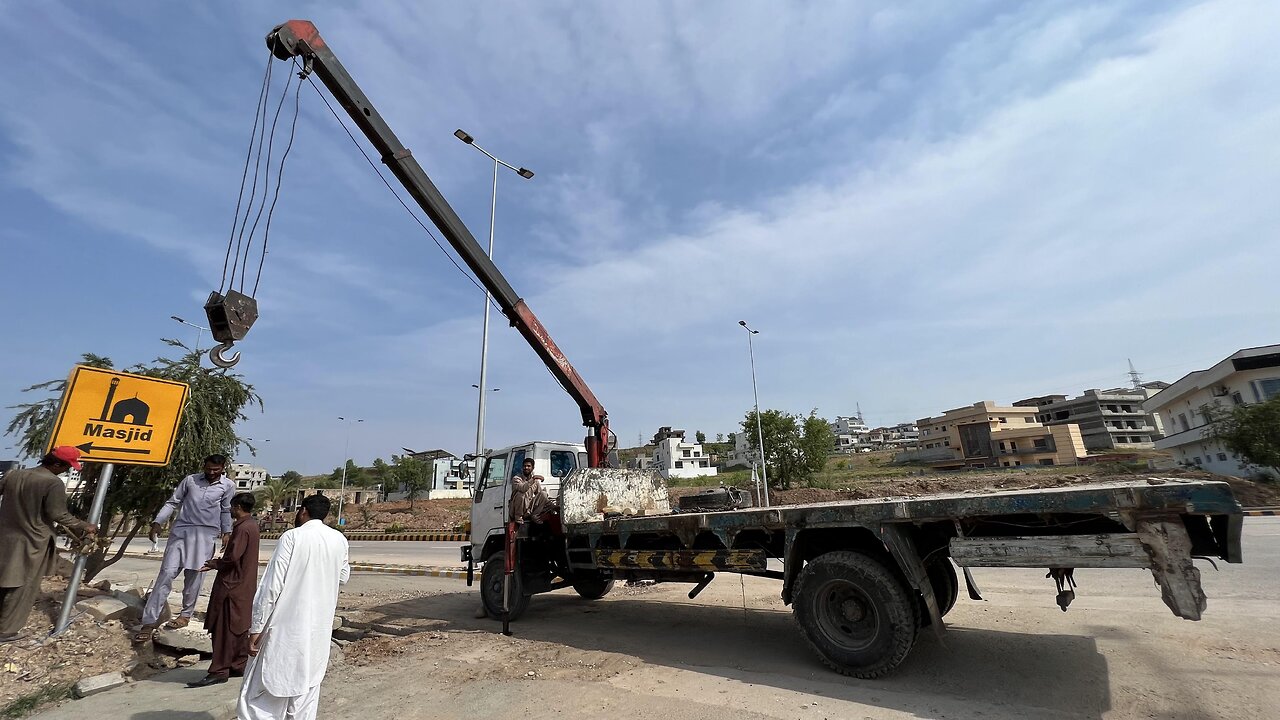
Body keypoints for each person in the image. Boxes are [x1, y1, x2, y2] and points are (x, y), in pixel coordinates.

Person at [237, 494, 350, 720]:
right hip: (317, 631)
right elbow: (344, 576)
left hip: (285, 628)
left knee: (262, 696)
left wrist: (256, 628)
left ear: (304, 511)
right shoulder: (339, 540)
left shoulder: (292, 537)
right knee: (305, 696)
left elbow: (271, 586)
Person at [0, 447, 97, 642]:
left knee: (4, 580)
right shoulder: (53, 483)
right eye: (66, 467)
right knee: (22, 586)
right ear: (56, 464)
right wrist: (85, 526)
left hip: (5, 537)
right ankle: (7, 631)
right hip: (32, 541)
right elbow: (58, 514)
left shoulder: (13, 474)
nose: (65, 471)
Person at [135, 454, 236, 642]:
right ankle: (149, 622)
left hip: (206, 536)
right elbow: (172, 502)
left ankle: (185, 615)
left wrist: (227, 532)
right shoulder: (190, 480)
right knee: (166, 574)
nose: (212, 473)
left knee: (195, 577)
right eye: (209, 469)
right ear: (203, 466)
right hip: (181, 533)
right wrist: (158, 522)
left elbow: (225, 510)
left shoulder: (228, 486)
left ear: (222, 468)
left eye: (216, 470)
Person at [187, 492, 260, 688]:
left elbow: (233, 557)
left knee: (224, 630)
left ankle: (219, 670)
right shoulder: (251, 526)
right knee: (237, 629)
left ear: (237, 507)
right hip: (242, 587)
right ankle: (237, 664)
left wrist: (214, 563)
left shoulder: (243, 528)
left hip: (232, 587)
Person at [509, 457, 554, 524]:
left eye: (528, 466)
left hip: (529, 508)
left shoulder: (535, 481)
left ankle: (535, 515)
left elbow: (540, 496)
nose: (526, 468)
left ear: (532, 468)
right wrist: (533, 479)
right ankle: (518, 517)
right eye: (524, 466)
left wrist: (553, 506)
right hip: (518, 509)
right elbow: (523, 488)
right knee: (521, 494)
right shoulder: (516, 479)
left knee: (543, 493)